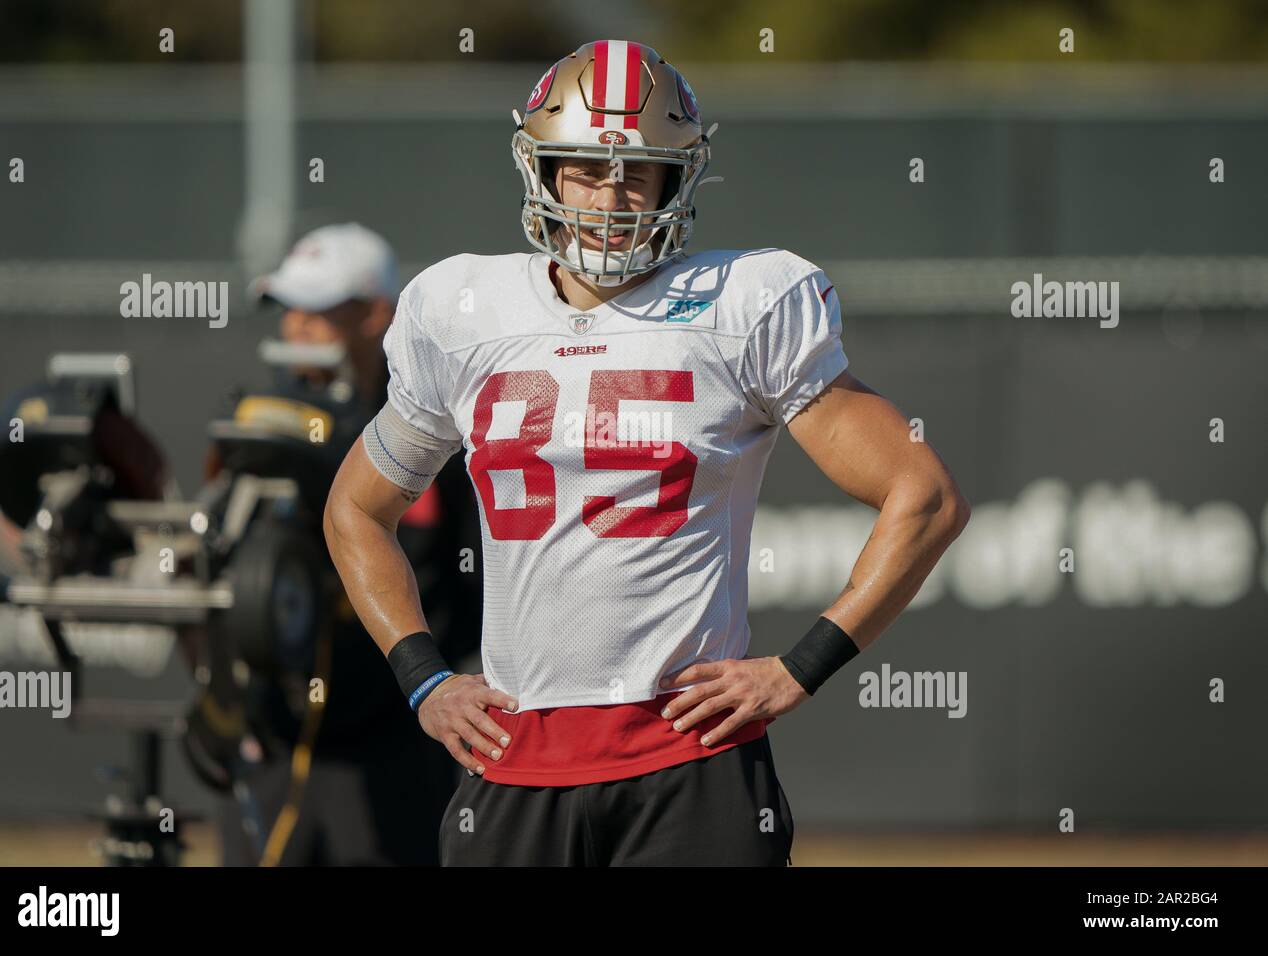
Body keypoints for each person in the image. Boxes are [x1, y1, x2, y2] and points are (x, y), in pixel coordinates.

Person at [323, 41, 970, 866]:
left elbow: (925, 498)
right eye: (587, 168)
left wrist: (797, 669)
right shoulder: (461, 309)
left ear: (678, 178)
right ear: (544, 171)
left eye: (640, 172)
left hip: (686, 761)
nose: (613, 197)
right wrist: (424, 678)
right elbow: (355, 510)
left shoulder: (745, 303)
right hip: (512, 758)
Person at [217, 223, 482, 865]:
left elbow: (473, 579)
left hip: (398, 741)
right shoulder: (251, 424)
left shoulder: (432, 429)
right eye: (289, 309)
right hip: (277, 743)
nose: (298, 327)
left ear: (375, 315)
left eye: (319, 310)